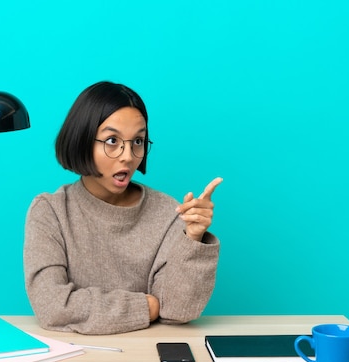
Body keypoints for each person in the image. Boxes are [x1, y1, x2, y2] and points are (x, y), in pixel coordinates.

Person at [24, 81, 222, 335]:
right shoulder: (50, 211)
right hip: (71, 360)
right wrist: (146, 306)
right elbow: (52, 306)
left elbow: (177, 310)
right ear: (83, 140)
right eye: (112, 140)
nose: (128, 155)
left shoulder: (168, 212)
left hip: (146, 358)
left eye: (138, 141)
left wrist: (193, 239)